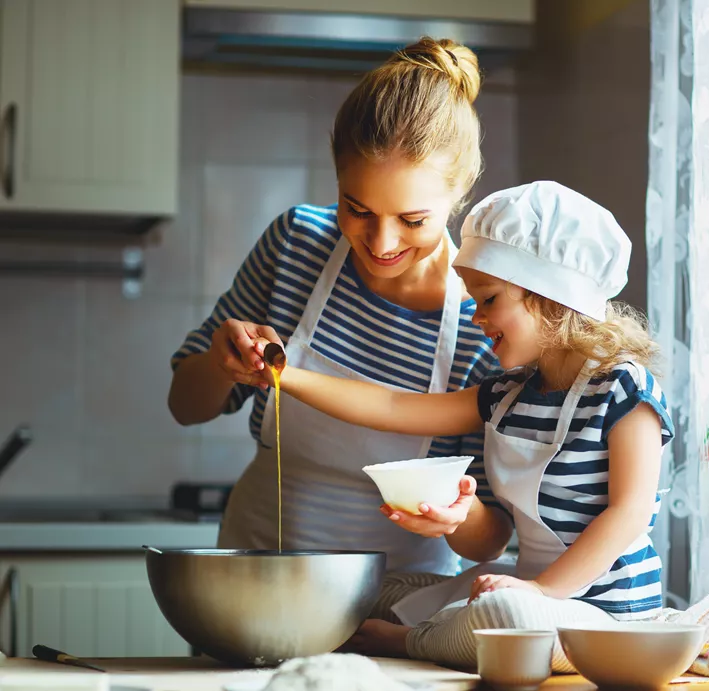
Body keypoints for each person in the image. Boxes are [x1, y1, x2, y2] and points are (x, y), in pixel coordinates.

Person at [262, 181, 676, 671]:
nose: (477, 318)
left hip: (604, 617)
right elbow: (393, 406)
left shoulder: (624, 388)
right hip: (526, 589)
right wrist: (282, 374)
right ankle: (443, 630)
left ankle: (410, 641)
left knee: (508, 615)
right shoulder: (508, 394)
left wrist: (540, 591)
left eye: (489, 299)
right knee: (378, 589)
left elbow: (629, 513)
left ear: (549, 296)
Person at [167, 37, 513, 622]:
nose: (381, 243)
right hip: (252, 579)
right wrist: (220, 364)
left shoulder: (484, 321)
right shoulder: (296, 246)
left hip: (396, 606)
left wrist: (458, 516)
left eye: (412, 220)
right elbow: (185, 405)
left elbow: (492, 536)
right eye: (358, 209)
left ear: (459, 193)